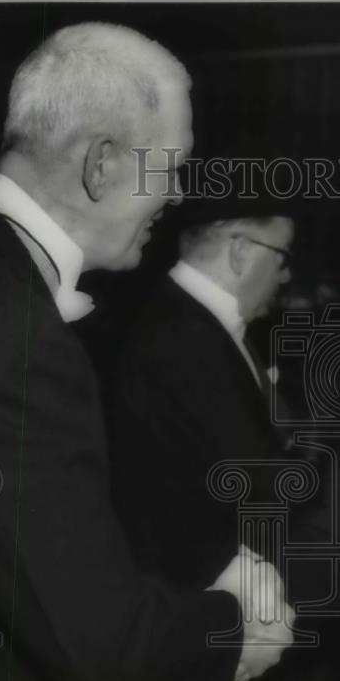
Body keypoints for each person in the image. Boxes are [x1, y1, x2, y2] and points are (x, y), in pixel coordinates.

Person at [0, 22, 292, 681]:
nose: (180, 194)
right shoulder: (17, 337)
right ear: (101, 163)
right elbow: (101, 649)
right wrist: (239, 626)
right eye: (172, 166)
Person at [109, 212, 294, 597]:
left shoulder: (199, 325)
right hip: (194, 603)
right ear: (241, 251)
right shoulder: (178, 342)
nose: (286, 276)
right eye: (282, 257)